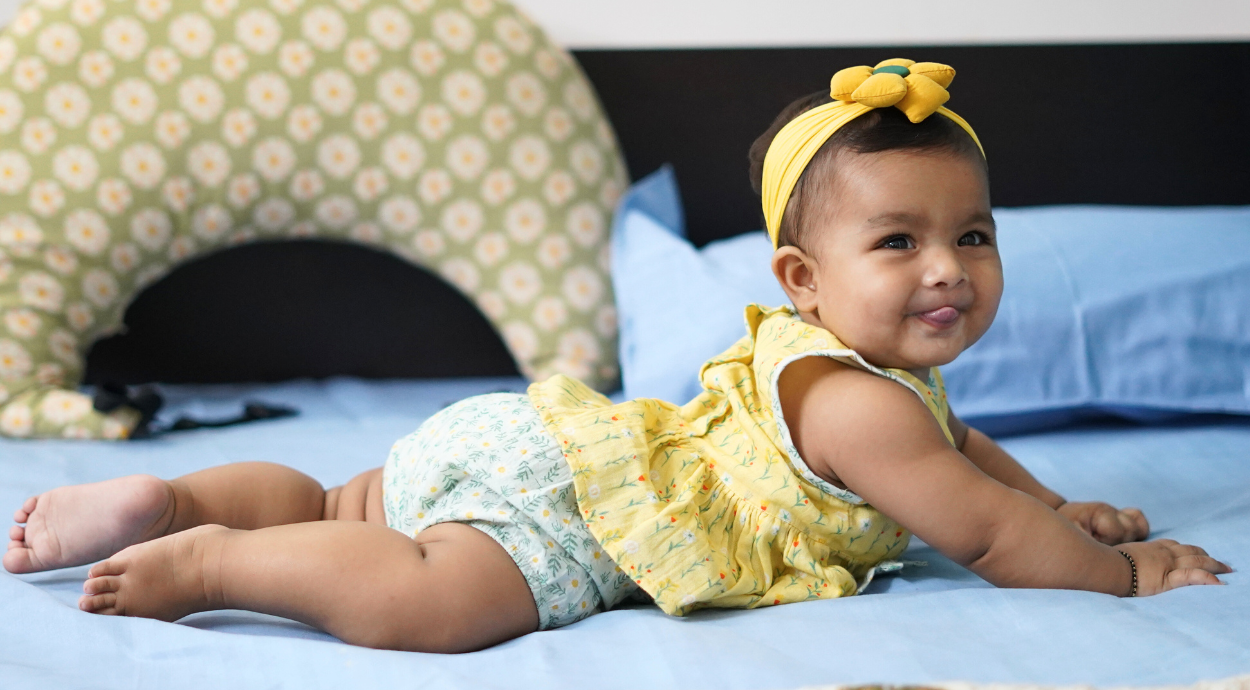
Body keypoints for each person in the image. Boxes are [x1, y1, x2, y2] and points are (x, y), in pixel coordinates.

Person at [4, 59, 1230, 653]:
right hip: (576, 515)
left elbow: (967, 457)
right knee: (440, 596)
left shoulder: (875, 386)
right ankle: (215, 559)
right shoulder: (858, 411)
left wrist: (1058, 503)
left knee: (345, 503)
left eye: (971, 236)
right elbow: (983, 535)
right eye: (897, 242)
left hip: (545, 441)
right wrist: (1114, 576)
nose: (946, 269)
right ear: (801, 281)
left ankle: (176, 499)